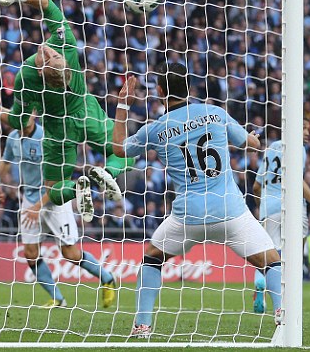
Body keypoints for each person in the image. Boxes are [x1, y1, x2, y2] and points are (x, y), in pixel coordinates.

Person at [112, 65, 283, 338]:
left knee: (152, 260)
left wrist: (123, 105)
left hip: (187, 218)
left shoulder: (155, 129)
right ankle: (282, 316)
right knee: (272, 262)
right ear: (190, 88)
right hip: (231, 213)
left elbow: (118, 147)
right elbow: (251, 144)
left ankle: (142, 326)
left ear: (160, 92)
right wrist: (255, 137)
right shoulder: (214, 113)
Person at [0, 0, 134, 222]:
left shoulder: (26, 77)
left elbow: (18, 120)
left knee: (54, 189)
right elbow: (48, 4)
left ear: (41, 71)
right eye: (52, 55)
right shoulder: (66, 45)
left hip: (56, 128)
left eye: (50, 56)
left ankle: (84, 184)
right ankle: (105, 174)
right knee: (126, 151)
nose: (46, 50)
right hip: (84, 111)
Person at [0, 113, 116, 308]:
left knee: (70, 253)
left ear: (34, 116)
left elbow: (57, 180)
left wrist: (38, 206)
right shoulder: (13, 138)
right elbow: (5, 160)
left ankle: (107, 278)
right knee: (30, 253)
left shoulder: (46, 139)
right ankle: (57, 298)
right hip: (30, 199)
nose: (22, 124)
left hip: (55, 199)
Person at [252, 120, 310, 312]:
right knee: (295, 254)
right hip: (293, 207)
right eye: (303, 128)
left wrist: (261, 205)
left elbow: (256, 186)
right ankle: (289, 301)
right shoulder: (300, 150)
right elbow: (298, 182)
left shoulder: (271, 147)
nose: (307, 132)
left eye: (307, 128)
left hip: (269, 206)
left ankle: (260, 284)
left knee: (268, 254)